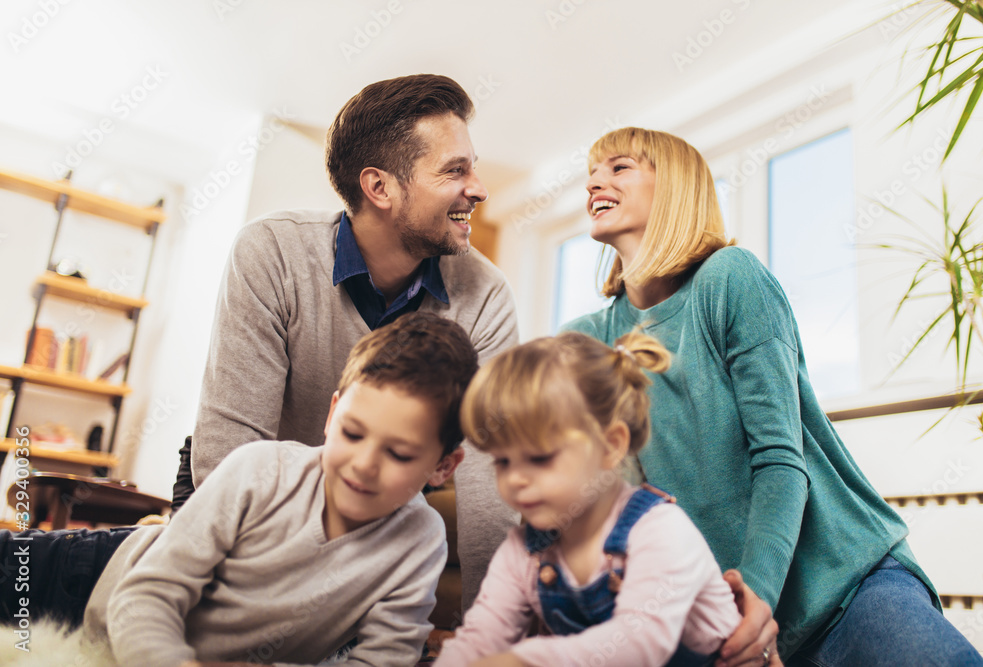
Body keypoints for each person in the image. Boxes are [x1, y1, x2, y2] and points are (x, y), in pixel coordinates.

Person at [564, 126, 983, 666]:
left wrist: (756, 597)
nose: (595, 180)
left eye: (618, 167)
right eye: (592, 172)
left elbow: (779, 458)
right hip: (724, 622)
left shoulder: (728, 279)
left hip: (842, 586)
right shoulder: (586, 339)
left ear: (674, 187)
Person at [172, 74, 519, 610]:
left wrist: (489, 634)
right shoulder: (273, 251)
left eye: (471, 166)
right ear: (379, 188)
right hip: (245, 491)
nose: (479, 187)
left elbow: (488, 478)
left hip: (380, 511)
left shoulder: (486, 293)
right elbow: (232, 459)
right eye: (456, 170)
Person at [0, 312, 477, 666]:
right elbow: (147, 596)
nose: (364, 464)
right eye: (353, 433)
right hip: (100, 575)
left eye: (398, 454)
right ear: (332, 416)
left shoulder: (421, 539)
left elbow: (384, 659)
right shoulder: (260, 469)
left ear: (442, 466)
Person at [436, 331, 749, 667]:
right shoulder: (522, 552)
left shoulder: (661, 531)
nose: (514, 479)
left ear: (610, 445)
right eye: (502, 461)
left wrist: (522, 661)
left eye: (539, 458)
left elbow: (637, 645)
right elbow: (478, 640)